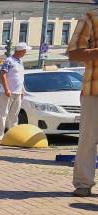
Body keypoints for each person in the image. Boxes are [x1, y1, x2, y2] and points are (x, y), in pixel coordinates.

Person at [67, 9, 98, 197]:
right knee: (88, 139)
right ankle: (83, 183)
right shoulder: (91, 17)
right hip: (94, 90)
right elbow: (73, 53)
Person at [0, 43, 29, 140]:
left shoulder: (20, 62)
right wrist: (6, 89)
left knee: (14, 114)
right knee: (3, 113)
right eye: (24, 51)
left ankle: (12, 134)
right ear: (20, 51)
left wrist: (22, 90)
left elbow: (20, 77)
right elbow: (3, 74)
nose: (25, 53)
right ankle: (0, 134)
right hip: (8, 92)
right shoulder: (9, 61)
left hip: (17, 92)